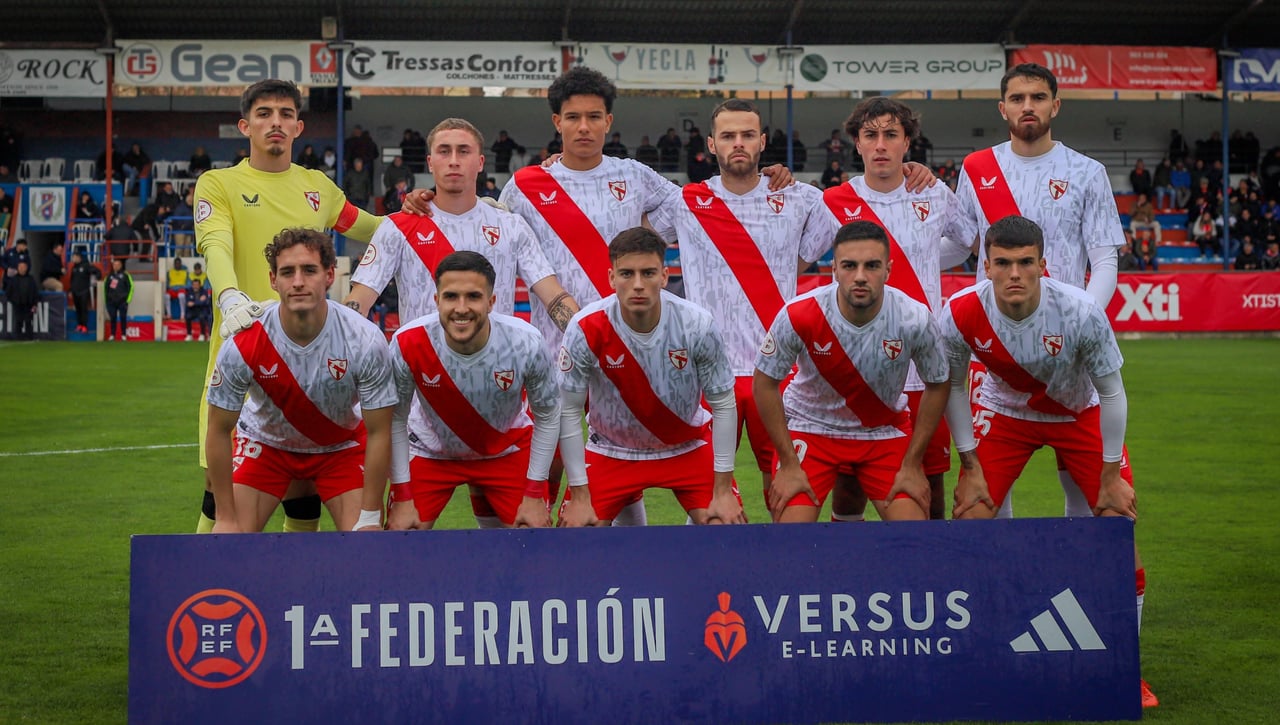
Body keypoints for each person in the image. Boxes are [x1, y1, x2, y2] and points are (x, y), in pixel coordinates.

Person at [937, 215, 1153, 708]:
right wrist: (970, 467)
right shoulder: (960, 311)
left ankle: (1126, 669)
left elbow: (1112, 393)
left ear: (1042, 265)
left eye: (1025, 263)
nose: (1014, 273)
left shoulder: (1080, 312)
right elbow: (953, 387)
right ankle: (975, 659)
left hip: (1079, 412)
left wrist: (1110, 474)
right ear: (985, 266)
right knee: (970, 519)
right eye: (1003, 263)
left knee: (1117, 530)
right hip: (1005, 414)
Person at [352, 118, 581, 530]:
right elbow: (357, 307)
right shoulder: (398, 227)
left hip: (500, 410)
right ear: (429, 162)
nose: (453, 160)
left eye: (463, 151)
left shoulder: (509, 225)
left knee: (529, 544)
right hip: (426, 416)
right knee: (401, 541)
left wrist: (594, 336)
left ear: (480, 162)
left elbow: (553, 296)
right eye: (444, 151)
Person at [193, 78, 382, 534]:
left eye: (285, 114)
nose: (274, 122)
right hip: (245, 354)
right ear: (245, 126)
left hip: (310, 363)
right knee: (220, 497)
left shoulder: (318, 187)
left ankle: (293, 583)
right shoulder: (218, 184)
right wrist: (229, 295)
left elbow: (374, 228)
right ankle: (206, 575)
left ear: (298, 127)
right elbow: (215, 244)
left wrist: (445, 213)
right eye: (264, 114)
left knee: (305, 496)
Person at [954, 62, 1126, 525]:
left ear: (1056, 105)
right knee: (989, 490)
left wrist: (1081, 324)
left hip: (1068, 349)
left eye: (1037, 97)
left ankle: (1078, 565)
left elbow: (1104, 261)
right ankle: (1003, 570)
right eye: (1017, 98)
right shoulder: (976, 167)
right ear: (1002, 108)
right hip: (995, 349)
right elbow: (959, 244)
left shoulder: (1087, 172)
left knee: (1081, 482)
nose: (1027, 106)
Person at [823, 96, 977, 522]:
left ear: (907, 142)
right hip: (859, 365)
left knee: (931, 485)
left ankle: (931, 562)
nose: (881, 145)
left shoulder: (933, 193)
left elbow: (970, 243)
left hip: (923, 367)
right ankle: (849, 561)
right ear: (857, 143)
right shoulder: (833, 201)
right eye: (870, 135)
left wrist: (925, 258)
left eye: (891, 135)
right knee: (849, 486)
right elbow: (798, 255)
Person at [755, 221, 949, 522]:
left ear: (888, 270)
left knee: (912, 532)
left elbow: (938, 383)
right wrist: (789, 463)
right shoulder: (800, 313)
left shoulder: (914, 318)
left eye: (872, 265)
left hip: (883, 431)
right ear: (834, 269)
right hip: (810, 428)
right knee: (793, 534)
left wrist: (912, 463)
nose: (860, 276)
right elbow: (764, 382)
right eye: (849, 266)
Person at [205, 228, 396, 533]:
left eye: (309, 270)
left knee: (367, 543)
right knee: (230, 539)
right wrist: (226, 517)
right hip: (265, 445)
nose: (297, 282)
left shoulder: (365, 339)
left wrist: (370, 517)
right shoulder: (244, 341)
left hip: (341, 448)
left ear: (329, 275)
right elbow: (218, 430)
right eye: (287, 272)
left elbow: (379, 431)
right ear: (273, 280)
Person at [557, 228, 746, 527]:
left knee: (725, 526)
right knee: (577, 532)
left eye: (648, 273)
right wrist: (579, 495)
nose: (638, 285)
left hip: (687, 447)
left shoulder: (697, 324)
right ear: (611, 278)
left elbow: (723, 404)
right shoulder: (585, 327)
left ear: (664, 276)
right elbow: (568, 411)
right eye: (627, 274)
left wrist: (722, 490)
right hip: (611, 450)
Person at [386, 251, 559, 529]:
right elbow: (395, 419)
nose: (461, 308)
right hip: (431, 452)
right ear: (437, 300)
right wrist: (403, 496)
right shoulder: (408, 341)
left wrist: (535, 492)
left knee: (533, 534)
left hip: (506, 450)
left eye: (473, 297)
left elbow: (548, 416)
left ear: (491, 302)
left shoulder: (526, 342)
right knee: (402, 533)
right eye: (451, 296)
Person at [4, 259, 39, 340]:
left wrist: (35, 303)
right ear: (18, 267)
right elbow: (8, 292)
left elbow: (35, 292)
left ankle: (29, 338)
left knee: (28, 322)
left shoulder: (31, 279)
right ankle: (17, 338)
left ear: (26, 268)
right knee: (18, 321)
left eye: (23, 267)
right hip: (18, 304)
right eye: (20, 267)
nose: (22, 268)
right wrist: (13, 301)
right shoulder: (13, 279)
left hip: (28, 304)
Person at [68, 251, 100, 333]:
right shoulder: (74, 268)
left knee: (83, 309)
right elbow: (72, 280)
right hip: (75, 291)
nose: (73, 259)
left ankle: (84, 326)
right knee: (78, 309)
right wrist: (70, 290)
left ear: (79, 257)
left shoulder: (86, 265)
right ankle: (79, 324)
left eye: (74, 257)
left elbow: (97, 271)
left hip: (84, 291)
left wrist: (96, 279)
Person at [103, 257, 132, 341]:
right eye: (114, 265)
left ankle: (123, 335)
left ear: (121, 265)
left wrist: (127, 300)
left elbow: (131, 287)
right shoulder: (109, 276)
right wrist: (106, 301)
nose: (115, 266)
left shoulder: (126, 275)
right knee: (113, 318)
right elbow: (105, 289)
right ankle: (112, 334)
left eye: (117, 265)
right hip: (111, 302)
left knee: (123, 318)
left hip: (122, 302)